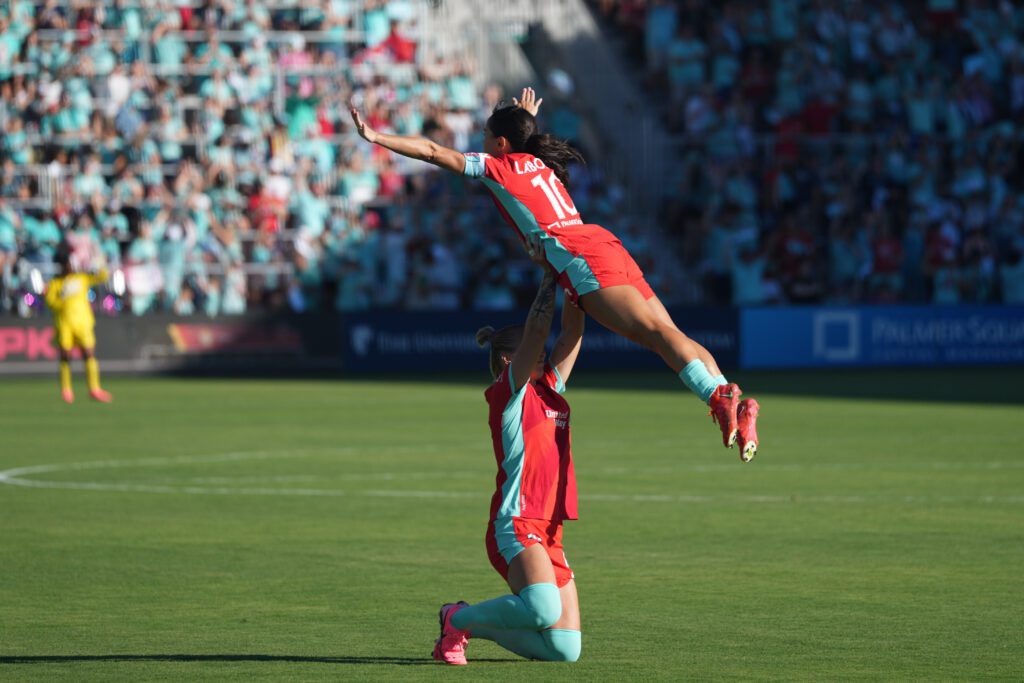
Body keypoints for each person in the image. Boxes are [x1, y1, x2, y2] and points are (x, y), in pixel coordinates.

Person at [351, 88, 760, 460]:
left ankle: (718, 396)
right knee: (669, 332)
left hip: (579, 255)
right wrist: (524, 116)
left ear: (500, 143)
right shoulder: (537, 162)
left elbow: (432, 151)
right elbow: (520, 142)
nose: (480, 143)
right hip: (600, 241)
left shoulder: (499, 167)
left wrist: (376, 137)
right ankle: (733, 404)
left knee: (655, 335)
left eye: (485, 135)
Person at [433, 234, 583, 665]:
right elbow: (540, 329)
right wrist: (549, 276)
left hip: (550, 528)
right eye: (532, 354)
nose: (542, 357)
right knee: (543, 609)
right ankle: (457, 621)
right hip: (517, 522)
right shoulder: (509, 394)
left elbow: (571, 331)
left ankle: (467, 624)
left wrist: (577, 278)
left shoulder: (549, 388)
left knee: (564, 649)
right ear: (507, 361)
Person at [44, 245, 113, 404]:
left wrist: (99, 260)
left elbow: (103, 276)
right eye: (67, 264)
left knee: (89, 354)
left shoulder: (81, 279)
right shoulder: (55, 284)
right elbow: (50, 304)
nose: (70, 267)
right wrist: (62, 297)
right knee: (65, 357)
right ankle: (66, 389)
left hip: (83, 323)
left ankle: (94, 388)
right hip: (65, 324)